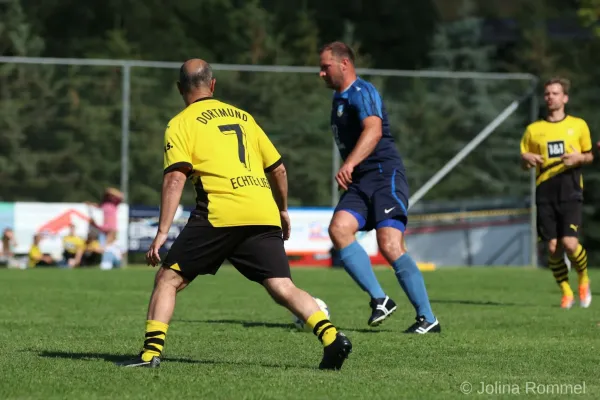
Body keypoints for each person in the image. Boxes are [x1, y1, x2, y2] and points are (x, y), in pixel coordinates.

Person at [117, 59, 352, 369]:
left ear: (180, 89)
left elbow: (175, 178)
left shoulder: (181, 122)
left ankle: (149, 355)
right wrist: (282, 210)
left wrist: (162, 232)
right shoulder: (244, 117)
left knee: (168, 278)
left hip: (220, 211)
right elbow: (278, 168)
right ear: (212, 85)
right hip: (262, 209)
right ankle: (332, 337)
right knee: (282, 286)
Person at [319, 41, 440, 334]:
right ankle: (380, 299)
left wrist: (348, 163)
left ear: (344, 63)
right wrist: (353, 167)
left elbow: (373, 129)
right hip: (361, 180)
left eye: (326, 67)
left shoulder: (363, 92)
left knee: (389, 244)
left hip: (385, 175)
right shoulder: (338, 99)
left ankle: (427, 318)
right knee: (339, 229)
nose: (321, 74)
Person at [520, 77, 593, 309]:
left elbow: (590, 156)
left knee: (570, 244)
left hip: (570, 190)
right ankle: (566, 291)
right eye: (547, 94)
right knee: (552, 248)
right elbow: (525, 161)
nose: (550, 97)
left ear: (565, 98)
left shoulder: (578, 125)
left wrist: (578, 158)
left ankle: (583, 278)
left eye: (555, 93)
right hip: (545, 192)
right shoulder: (533, 130)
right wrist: (526, 159)